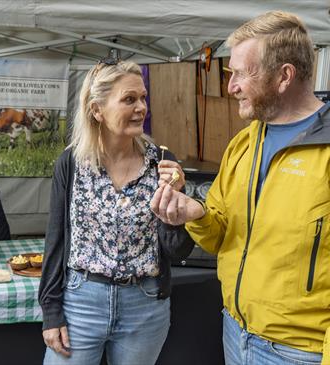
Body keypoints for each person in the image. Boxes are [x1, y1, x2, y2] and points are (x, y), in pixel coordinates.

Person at [151, 10, 330, 365]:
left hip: (302, 353)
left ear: (284, 76)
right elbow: (220, 237)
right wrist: (195, 213)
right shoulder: (242, 145)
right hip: (235, 333)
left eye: (240, 73)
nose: (231, 86)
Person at [38, 59, 194, 365]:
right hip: (82, 302)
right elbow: (54, 241)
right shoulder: (71, 163)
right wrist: (51, 312)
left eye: (143, 98)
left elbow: (179, 250)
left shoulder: (162, 164)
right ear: (97, 110)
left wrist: (177, 206)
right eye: (129, 99)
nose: (141, 108)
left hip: (145, 306)